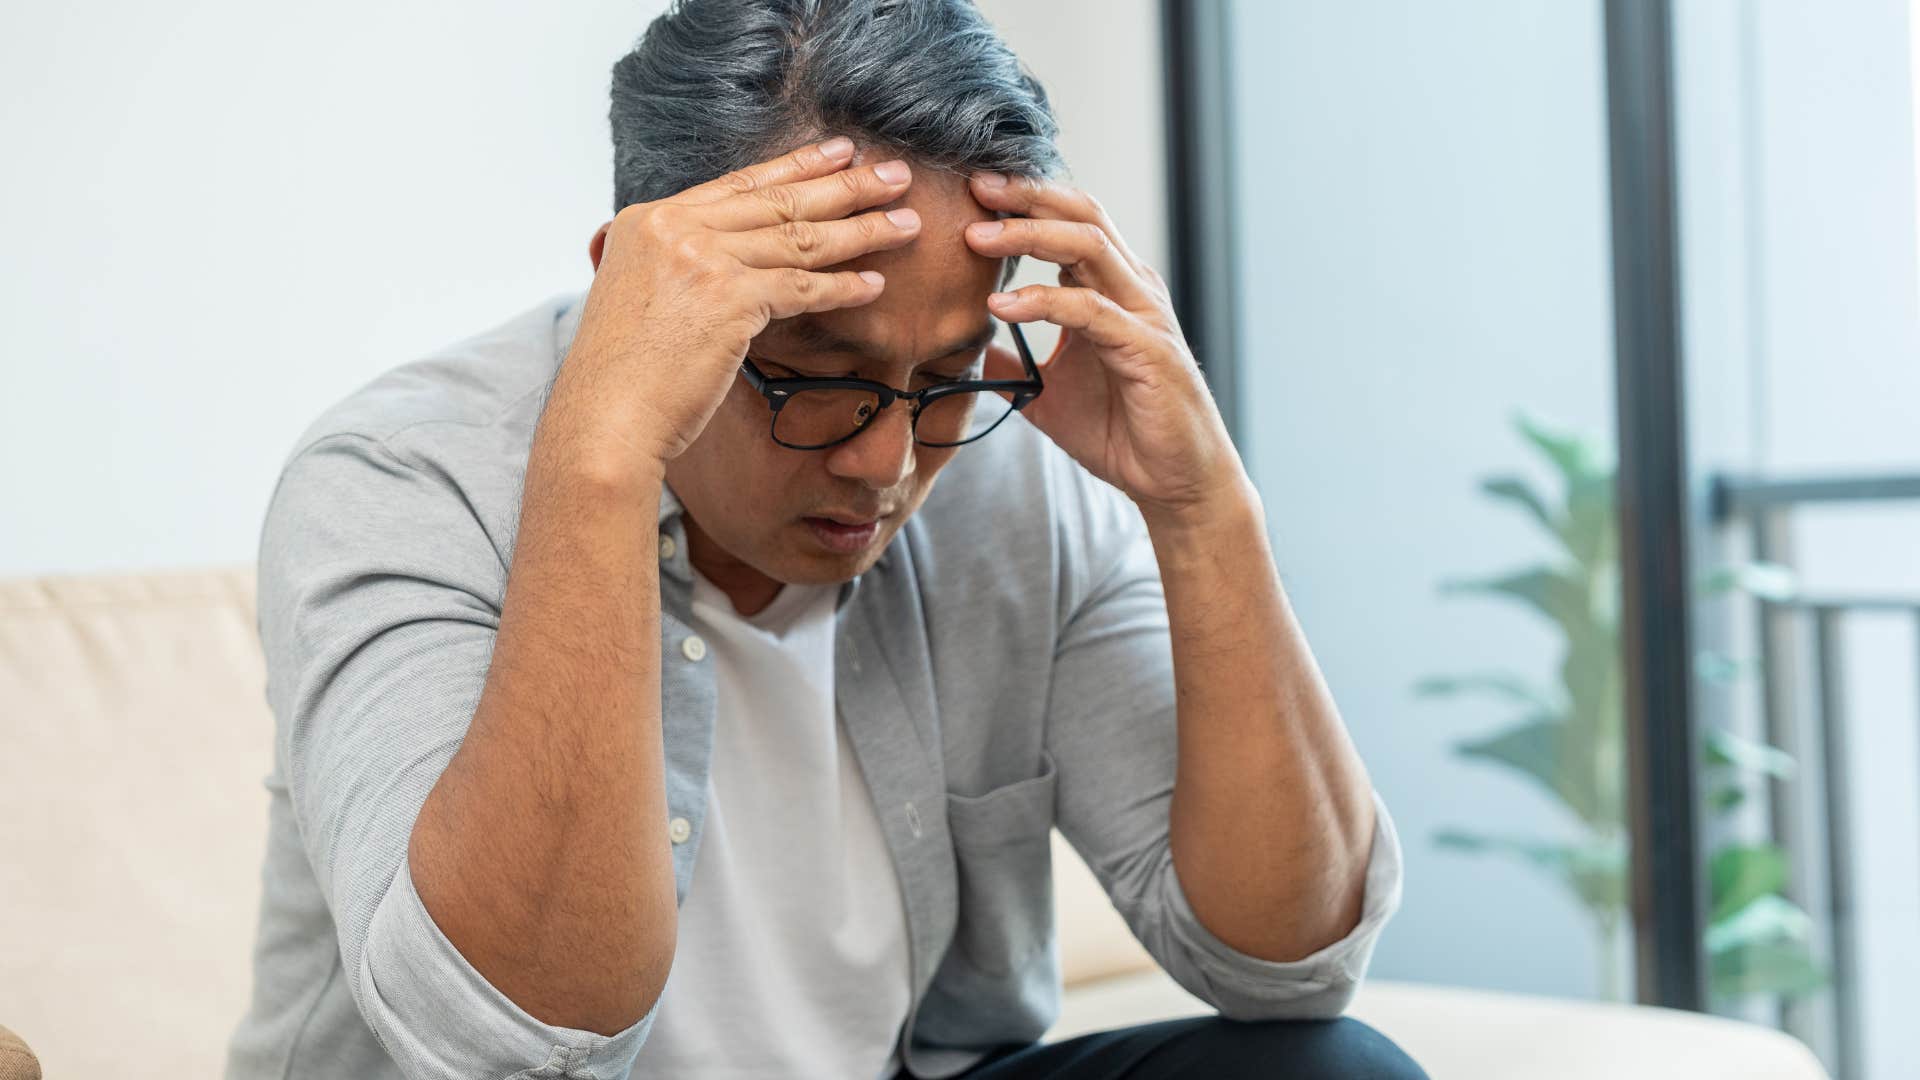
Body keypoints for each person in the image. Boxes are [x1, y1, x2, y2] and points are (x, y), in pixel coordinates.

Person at [225, 1, 1425, 1077]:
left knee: (1333, 1072)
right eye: (813, 379)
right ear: (637, 292)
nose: (886, 461)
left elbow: (1290, 967)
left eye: (947, 377)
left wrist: (1205, 509)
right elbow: (509, 1044)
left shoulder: (1006, 470)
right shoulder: (398, 481)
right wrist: (600, 455)